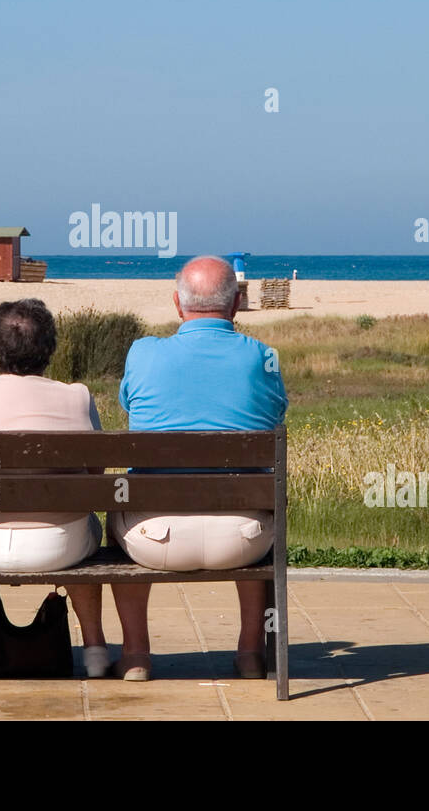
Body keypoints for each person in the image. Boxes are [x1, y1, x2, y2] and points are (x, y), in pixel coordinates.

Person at [109, 256, 287, 681]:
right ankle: (250, 653)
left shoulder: (143, 353)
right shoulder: (262, 356)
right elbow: (278, 412)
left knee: (114, 509)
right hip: (243, 540)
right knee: (254, 499)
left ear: (177, 303)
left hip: (155, 539)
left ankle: (135, 655)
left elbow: (128, 403)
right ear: (237, 303)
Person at [0, 299, 109, 679]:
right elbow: (95, 475)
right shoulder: (77, 395)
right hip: (59, 544)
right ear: (49, 347)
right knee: (86, 526)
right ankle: (95, 649)